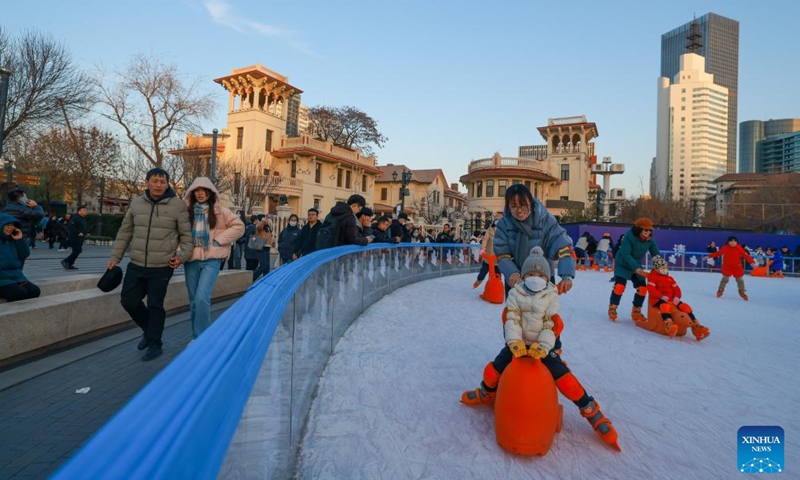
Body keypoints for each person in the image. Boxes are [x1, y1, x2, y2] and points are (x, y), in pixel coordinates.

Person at [461, 247, 619, 450]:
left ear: (547, 277)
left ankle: (590, 409)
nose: (535, 278)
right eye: (531, 274)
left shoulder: (551, 295)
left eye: (540, 275)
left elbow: (552, 324)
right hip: (518, 344)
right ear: (524, 276)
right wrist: (514, 342)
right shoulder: (516, 293)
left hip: (542, 346)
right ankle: (486, 392)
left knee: (565, 378)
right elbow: (511, 318)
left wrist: (543, 347)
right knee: (494, 369)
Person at [107, 168, 193, 361]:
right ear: (147, 182)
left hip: (163, 265)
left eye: (162, 182)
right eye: (154, 181)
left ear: (167, 184)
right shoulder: (137, 203)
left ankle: (155, 344)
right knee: (128, 301)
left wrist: (183, 256)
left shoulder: (177, 205)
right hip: (136, 263)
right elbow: (125, 232)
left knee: (155, 304)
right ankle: (149, 331)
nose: (158, 185)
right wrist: (116, 256)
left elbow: (186, 235)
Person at [183, 177, 244, 340]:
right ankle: (196, 336)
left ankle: (202, 338)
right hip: (191, 261)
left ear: (210, 193)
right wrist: (179, 251)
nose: (200, 193)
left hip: (212, 260)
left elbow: (239, 227)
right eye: (196, 190)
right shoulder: (186, 212)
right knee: (194, 301)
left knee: (202, 298)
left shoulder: (221, 212)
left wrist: (218, 240)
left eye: (203, 190)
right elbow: (178, 234)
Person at [494, 184, 575, 296]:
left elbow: (563, 247)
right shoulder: (504, 225)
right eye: (513, 206)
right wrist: (512, 273)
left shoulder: (546, 220)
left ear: (530, 203)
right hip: (517, 280)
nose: (519, 210)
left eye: (523, 205)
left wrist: (566, 275)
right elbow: (502, 255)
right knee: (515, 312)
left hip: (543, 278)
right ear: (508, 206)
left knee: (544, 312)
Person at [607, 218, 660, 322]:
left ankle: (637, 310)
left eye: (650, 231)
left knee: (643, 289)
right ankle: (613, 307)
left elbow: (656, 254)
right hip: (623, 263)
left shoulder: (650, 240)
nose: (647, 233)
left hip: (636, 264)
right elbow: (626, 254)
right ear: (638, 230)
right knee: (619, 286)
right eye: (645, 230)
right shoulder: (629, 237)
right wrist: (637, 269)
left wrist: (661, 266)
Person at [647, 255, 710, 340]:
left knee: (685, 307)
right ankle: (669, 325)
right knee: (664, 306)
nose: (665, 269)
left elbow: (677, 289)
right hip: (658, 299)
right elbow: (651, 289)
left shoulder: (670, 278)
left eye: (666, 267)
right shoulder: (653, 277)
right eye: (662, 267)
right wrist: (660, 296)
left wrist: (677, 297)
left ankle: (696, 327)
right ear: (656, 268)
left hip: (672, 299)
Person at [0, 213, 41, 302]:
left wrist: (19, 239)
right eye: (7, 225)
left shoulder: (12, 240)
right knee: (19, 293)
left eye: (12, 225)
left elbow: (24, 254)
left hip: (16, 277)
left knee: (34, 291)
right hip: (2, 279)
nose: (10, 227)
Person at [707, 236, 756, 301]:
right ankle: (720, 290)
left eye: (734, 241)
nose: (733, 243)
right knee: (725, 279)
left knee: (740, 280)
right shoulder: (725, 247)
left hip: (737, 267)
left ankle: (742, 292)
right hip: (727, 266)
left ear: (736, 242)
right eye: (731, 241)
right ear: (728, 242)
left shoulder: (739, 248)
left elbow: (745, 255)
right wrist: (709, 256)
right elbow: (719, 253)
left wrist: (752, 262)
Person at [61, 205, 88, 270]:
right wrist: (78, 232)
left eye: (86, 210)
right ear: (79, 211)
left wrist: (86, 232)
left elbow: (81, 227)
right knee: (78, 250)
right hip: (74, 238)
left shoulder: (82, 218)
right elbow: (70, 226)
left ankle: (70, 264)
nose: (85, 212)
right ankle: (66, 261)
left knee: (77, 251)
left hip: (80, 238)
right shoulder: (76, 218)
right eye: (84, 210)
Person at [473, 221, 499, 289]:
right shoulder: (489, 231)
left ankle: (497, 285)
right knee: (484, 270)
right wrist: (483, 248)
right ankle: (479, 281)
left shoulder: (502, 231)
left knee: (497, 272)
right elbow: (485, 240)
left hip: (498, 257)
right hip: (489, 255)